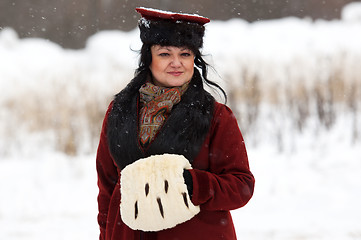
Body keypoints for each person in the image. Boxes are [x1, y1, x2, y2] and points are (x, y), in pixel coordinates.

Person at [96, 7, 255, 240]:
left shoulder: (217, 116)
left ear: (194, 60)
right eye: (164, 54)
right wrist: (106, 235)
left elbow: (242, 186)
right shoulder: (119, 111)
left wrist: (194, 185)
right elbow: (107, 188)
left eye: (185, 54)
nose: (176, 63)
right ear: (148, 58)